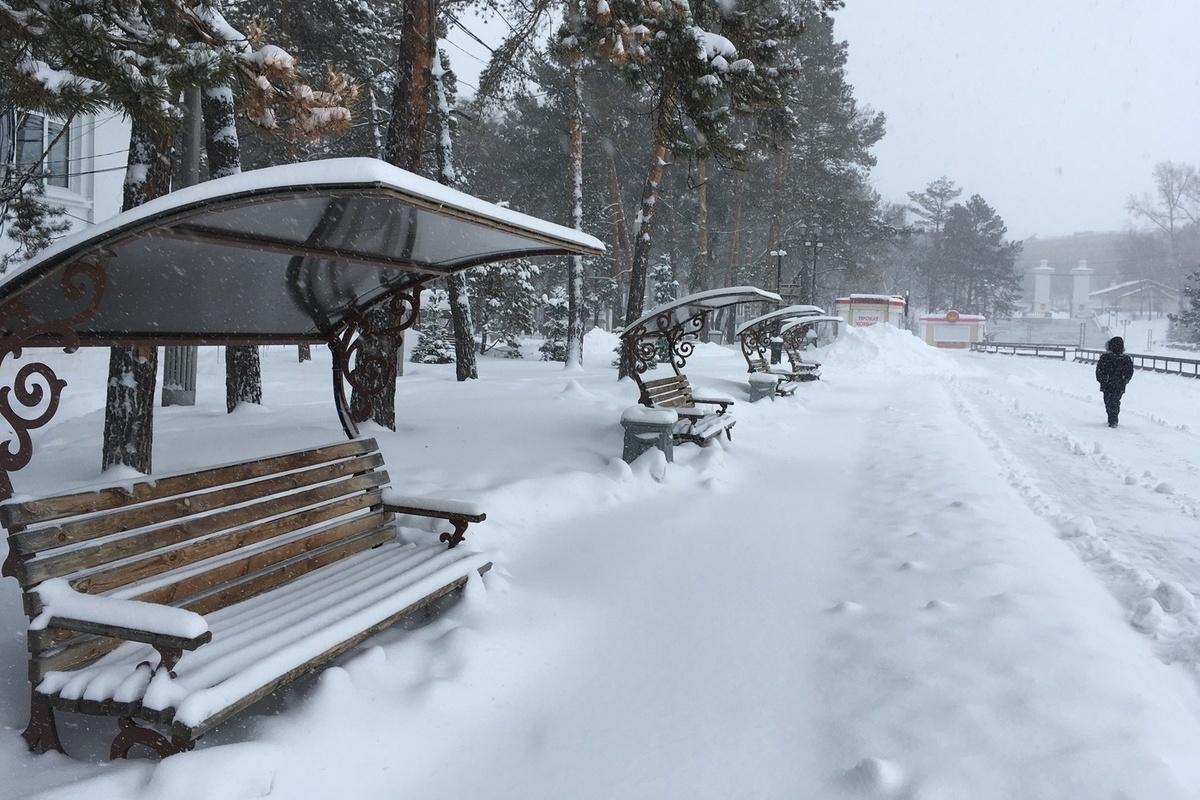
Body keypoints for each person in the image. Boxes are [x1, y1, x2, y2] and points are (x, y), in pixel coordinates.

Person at [1095, 336, 1134, 427]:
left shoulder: (1105, 357)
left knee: (1108, 400)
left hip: (1108, 384)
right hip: (1119, 384)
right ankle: (1114, 418)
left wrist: (1102, 380)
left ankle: (1112, 418)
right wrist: (1125, 380)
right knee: (1116, 400)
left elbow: (1099, 370)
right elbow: (1130, 372)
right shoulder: (1126, 359)